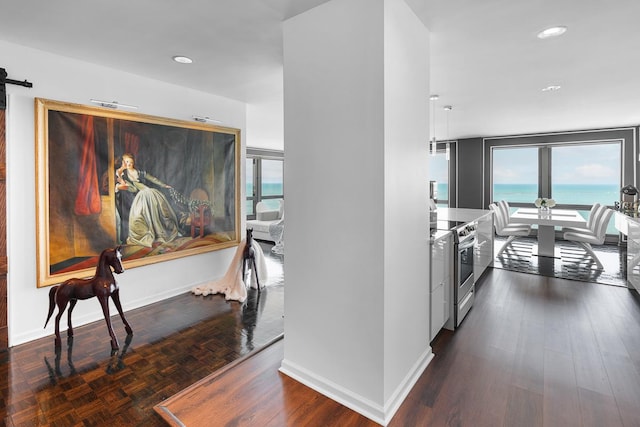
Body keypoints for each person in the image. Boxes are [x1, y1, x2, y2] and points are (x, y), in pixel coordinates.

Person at [115, 153, 181, 247]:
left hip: (148, 192)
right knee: (139, 215)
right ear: (123, 163)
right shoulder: (124, 175)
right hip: (140, 196)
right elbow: (131, 187)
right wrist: (123, 173)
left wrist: (164, 185)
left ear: (133, 162)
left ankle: (161, 231)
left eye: (130, 162)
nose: (128, 164)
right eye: (126, 162)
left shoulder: (141, 173)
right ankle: (146, 233)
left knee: (159, 210)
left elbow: (153, 179)